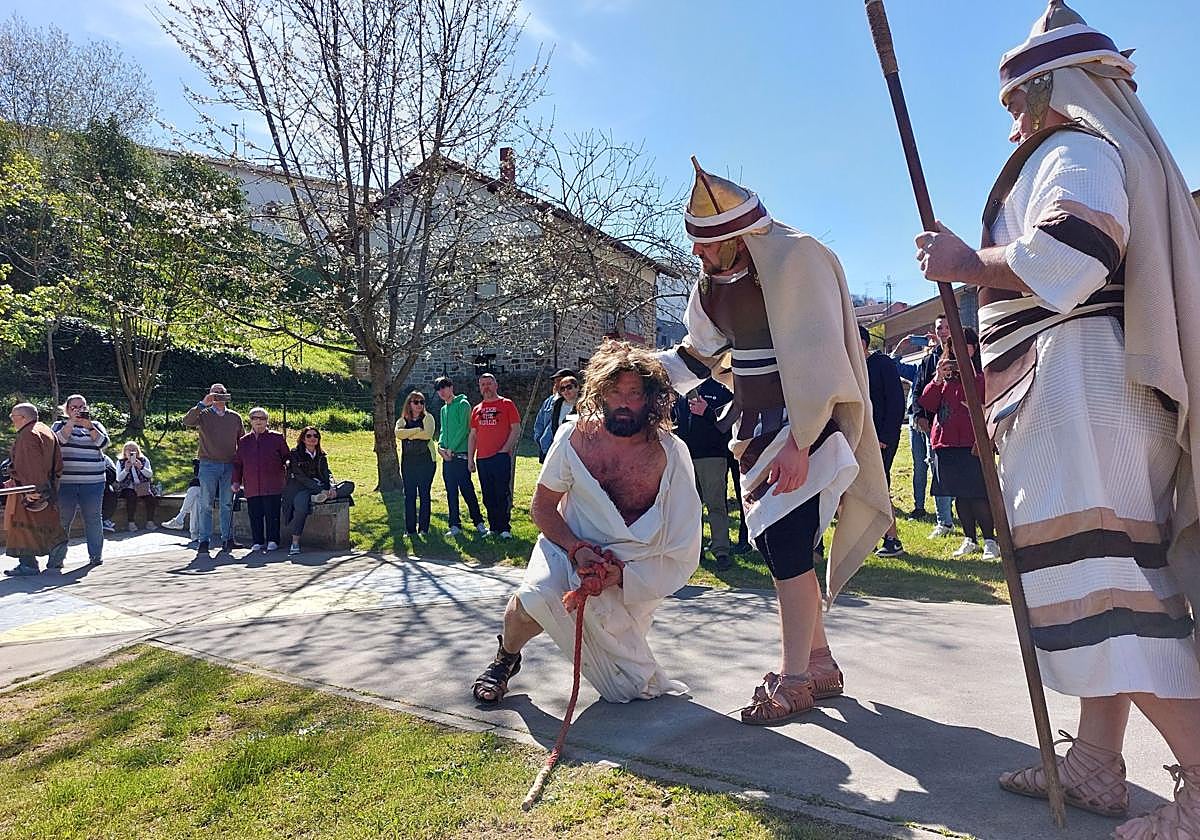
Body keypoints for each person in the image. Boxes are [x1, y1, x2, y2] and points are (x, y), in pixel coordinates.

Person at [914, 2, 1200, 832]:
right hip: (1086, 393)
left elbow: (1075, 256)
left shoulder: (1075, 147)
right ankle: (1095, 764)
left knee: (1109, 590)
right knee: (1098, 585)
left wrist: (967, 263)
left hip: (1081, 393)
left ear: (1050, 90)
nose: (1011, 123)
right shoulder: (1101, 147)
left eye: (1015, 102)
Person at [656, 160, 892, 724]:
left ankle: (794, 679)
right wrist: (641, 375)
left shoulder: (797, 258)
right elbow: (699, 354)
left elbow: (821, 357)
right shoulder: (712, 286)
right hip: (756, 430)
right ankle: (820, 662)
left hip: (805, 431)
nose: (698, 253)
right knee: (779, 550)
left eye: (707, 243)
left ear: (738, 236)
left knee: (788, 550)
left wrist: (801, 441)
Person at [471, 340, 701, 704]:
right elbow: (543, 507)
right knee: (534, 598)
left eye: (635, 394)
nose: (624, 402)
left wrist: (621, 575)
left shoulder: (670, 454)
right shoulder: (573, 438)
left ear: (651, 399)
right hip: (569, 546)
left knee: (630, 688)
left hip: (633, 573)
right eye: (615, 392)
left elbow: (683, 544)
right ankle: (505, 659)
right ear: (600, 392)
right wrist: (576, 550)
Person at [916, 329, 998, 560]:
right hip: (946, 442)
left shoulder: (982, 373)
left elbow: (986, 396)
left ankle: (990, 541)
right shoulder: (945, 376)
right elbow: (927, 404)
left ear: (974, 348)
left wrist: (969, 372)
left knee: (978, 493)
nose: (959, 350)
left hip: (973, 442)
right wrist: (938, 379)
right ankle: (969, 539)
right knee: (959, 494)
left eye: (965, 345)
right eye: (953, 346)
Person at [673, 378, 736, 570]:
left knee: (716, 505)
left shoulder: (721, 389)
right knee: (690, 508)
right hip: (685, 457)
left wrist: (707, 412)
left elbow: (729, 423)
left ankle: (721, 551)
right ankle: (695, 550)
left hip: (713, 456)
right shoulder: (683, 389)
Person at [906, 317, 958, 537]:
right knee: (935, 468)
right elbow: (918, 390)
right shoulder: (929, 360)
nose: (943, 331)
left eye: (947, 327)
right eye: (939, 328)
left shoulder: (964, 356)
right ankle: (943, 520)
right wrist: (919, 415)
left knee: (956, 471)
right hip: (934, 424)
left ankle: (961, 515)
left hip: (958, 425)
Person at [3, 403, 68, 576]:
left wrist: (33, 490)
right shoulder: (45, 430)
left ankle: (28, 565)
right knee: (48, 523)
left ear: (23, 418)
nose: (12, 420)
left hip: (31, 490)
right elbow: (58, 462)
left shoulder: (28, 435)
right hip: (46, 487)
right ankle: (56, 558)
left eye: (13, 417)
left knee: (23, 528)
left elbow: (31, 465)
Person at [183, 384, 245, 553]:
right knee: (206, 503)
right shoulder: (203, 414)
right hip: (208, 464)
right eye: (214, 393)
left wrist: (241, 465)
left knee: (227, 503)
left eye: (221, 393)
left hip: (229, 465)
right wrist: (202, 404)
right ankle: (204, 541)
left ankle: (227, 539)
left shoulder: (235, 417)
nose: (218, 396)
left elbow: (242, 441)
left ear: (226, 395)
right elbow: (187, 421)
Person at [861, 325, 906, 557]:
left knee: (879, 488)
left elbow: (896, 403)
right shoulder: (851, 367)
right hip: (857, 438)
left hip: (880, 439)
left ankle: (892, 539)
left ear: (863, 343)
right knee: (861, 490)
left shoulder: (882, 364)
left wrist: (885, 437)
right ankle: (867, 537)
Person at [51, 393, 110, 566]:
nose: (78, 410)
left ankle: (95, 556)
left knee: (93, 519)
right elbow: (58, 442)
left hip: (93, 482)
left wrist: (89, 427)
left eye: (81, 407)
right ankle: (56, 559)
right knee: (63, 520)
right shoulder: (59, 425)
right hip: (66, 483)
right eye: (74, 407)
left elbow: (103, 444)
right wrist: (71, 423)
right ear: (67, 409)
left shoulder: (96, 425)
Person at [283, 427, 354, 556]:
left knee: (349, 486)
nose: (313, 438)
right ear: (303, 439)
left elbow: (328, 473)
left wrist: (332, 487)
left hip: (322, 488)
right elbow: (301, 477)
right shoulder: (295, 454)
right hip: (302, 488)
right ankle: (295, 542)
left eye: (316, 436)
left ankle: (324, 496)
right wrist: (320, 489)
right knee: (301, 507)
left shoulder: (321, 455)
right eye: (309, 436)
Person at [468, 372, 521, 540]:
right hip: (482, 458)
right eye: (483, 384)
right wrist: (470, 458)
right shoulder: (477, 409)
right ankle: (493, 527)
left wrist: (505, 450)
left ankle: (504, 528)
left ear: (496, 385)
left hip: (500, 456)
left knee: (501, 493)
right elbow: (473, 435)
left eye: (489, 383)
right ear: (480, 388)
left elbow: (516, 429)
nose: (486, 387)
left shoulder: (507, 404)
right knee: (487, 494)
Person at [232, 407, 290, 553]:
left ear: (267, 421)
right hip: (252, 485)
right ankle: (257, 541)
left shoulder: (277, 438)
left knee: (272, 514)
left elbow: (287, 457)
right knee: (255, 514)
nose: (259, 421)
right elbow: (238, 463)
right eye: (255, 418)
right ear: (250, 421)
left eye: (262, 418)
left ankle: (273, 540)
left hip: (272, 484)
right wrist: (236, 481)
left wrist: (287, 466)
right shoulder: (244, 441)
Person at [433, 376, 486, 537]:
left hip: (460, 455)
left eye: (444, 387)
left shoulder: (463, 404)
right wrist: (441, 447)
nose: (442, 392)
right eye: (439, 390)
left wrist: (451, 449)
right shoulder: (443, 409)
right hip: (447, 457)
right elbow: (443, 430)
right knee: (451, 491)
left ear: (451, 387)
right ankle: (454, 524)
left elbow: (464, 429)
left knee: (467, 489)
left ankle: (479, 522)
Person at [395, 390, 438, 536]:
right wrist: (416, 430)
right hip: (408, 462)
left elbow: (427, 434)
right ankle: (410, 529)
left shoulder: (428, 418)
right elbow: (398, 433)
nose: (419, 405)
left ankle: (424, 529)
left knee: (424, 494)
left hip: (426, 461)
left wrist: (409, 435)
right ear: (409, 404)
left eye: (422, 402)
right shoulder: (402, 420)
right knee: (409, 495)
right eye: (416, 402)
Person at [531, 368, 575, 462]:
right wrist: (541, 441)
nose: (557, 384)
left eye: (560, 380)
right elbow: (539, 423)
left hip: (571, 450)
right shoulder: (550, 401)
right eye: (556, 382)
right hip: (548, 448)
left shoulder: (581, 403)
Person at [114, 441, 158, 531]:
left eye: (134, 449)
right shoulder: (121, 462)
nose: (131, 452)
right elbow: (118, 479)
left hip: (142, 486)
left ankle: (150, 522)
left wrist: (141, 467)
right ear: (124, 452)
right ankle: (131, 523)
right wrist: (126, 469)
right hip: (127, 487)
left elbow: (149, 474)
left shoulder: (144, 460)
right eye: (129, 450)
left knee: (151, 498)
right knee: (131, 496)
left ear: (137, 451)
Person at [161, 459, 202, 546]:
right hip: (203, 486)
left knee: (194, 489)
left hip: (216, 485)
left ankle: (179, 519)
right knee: (195, 500)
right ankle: (194, 535)